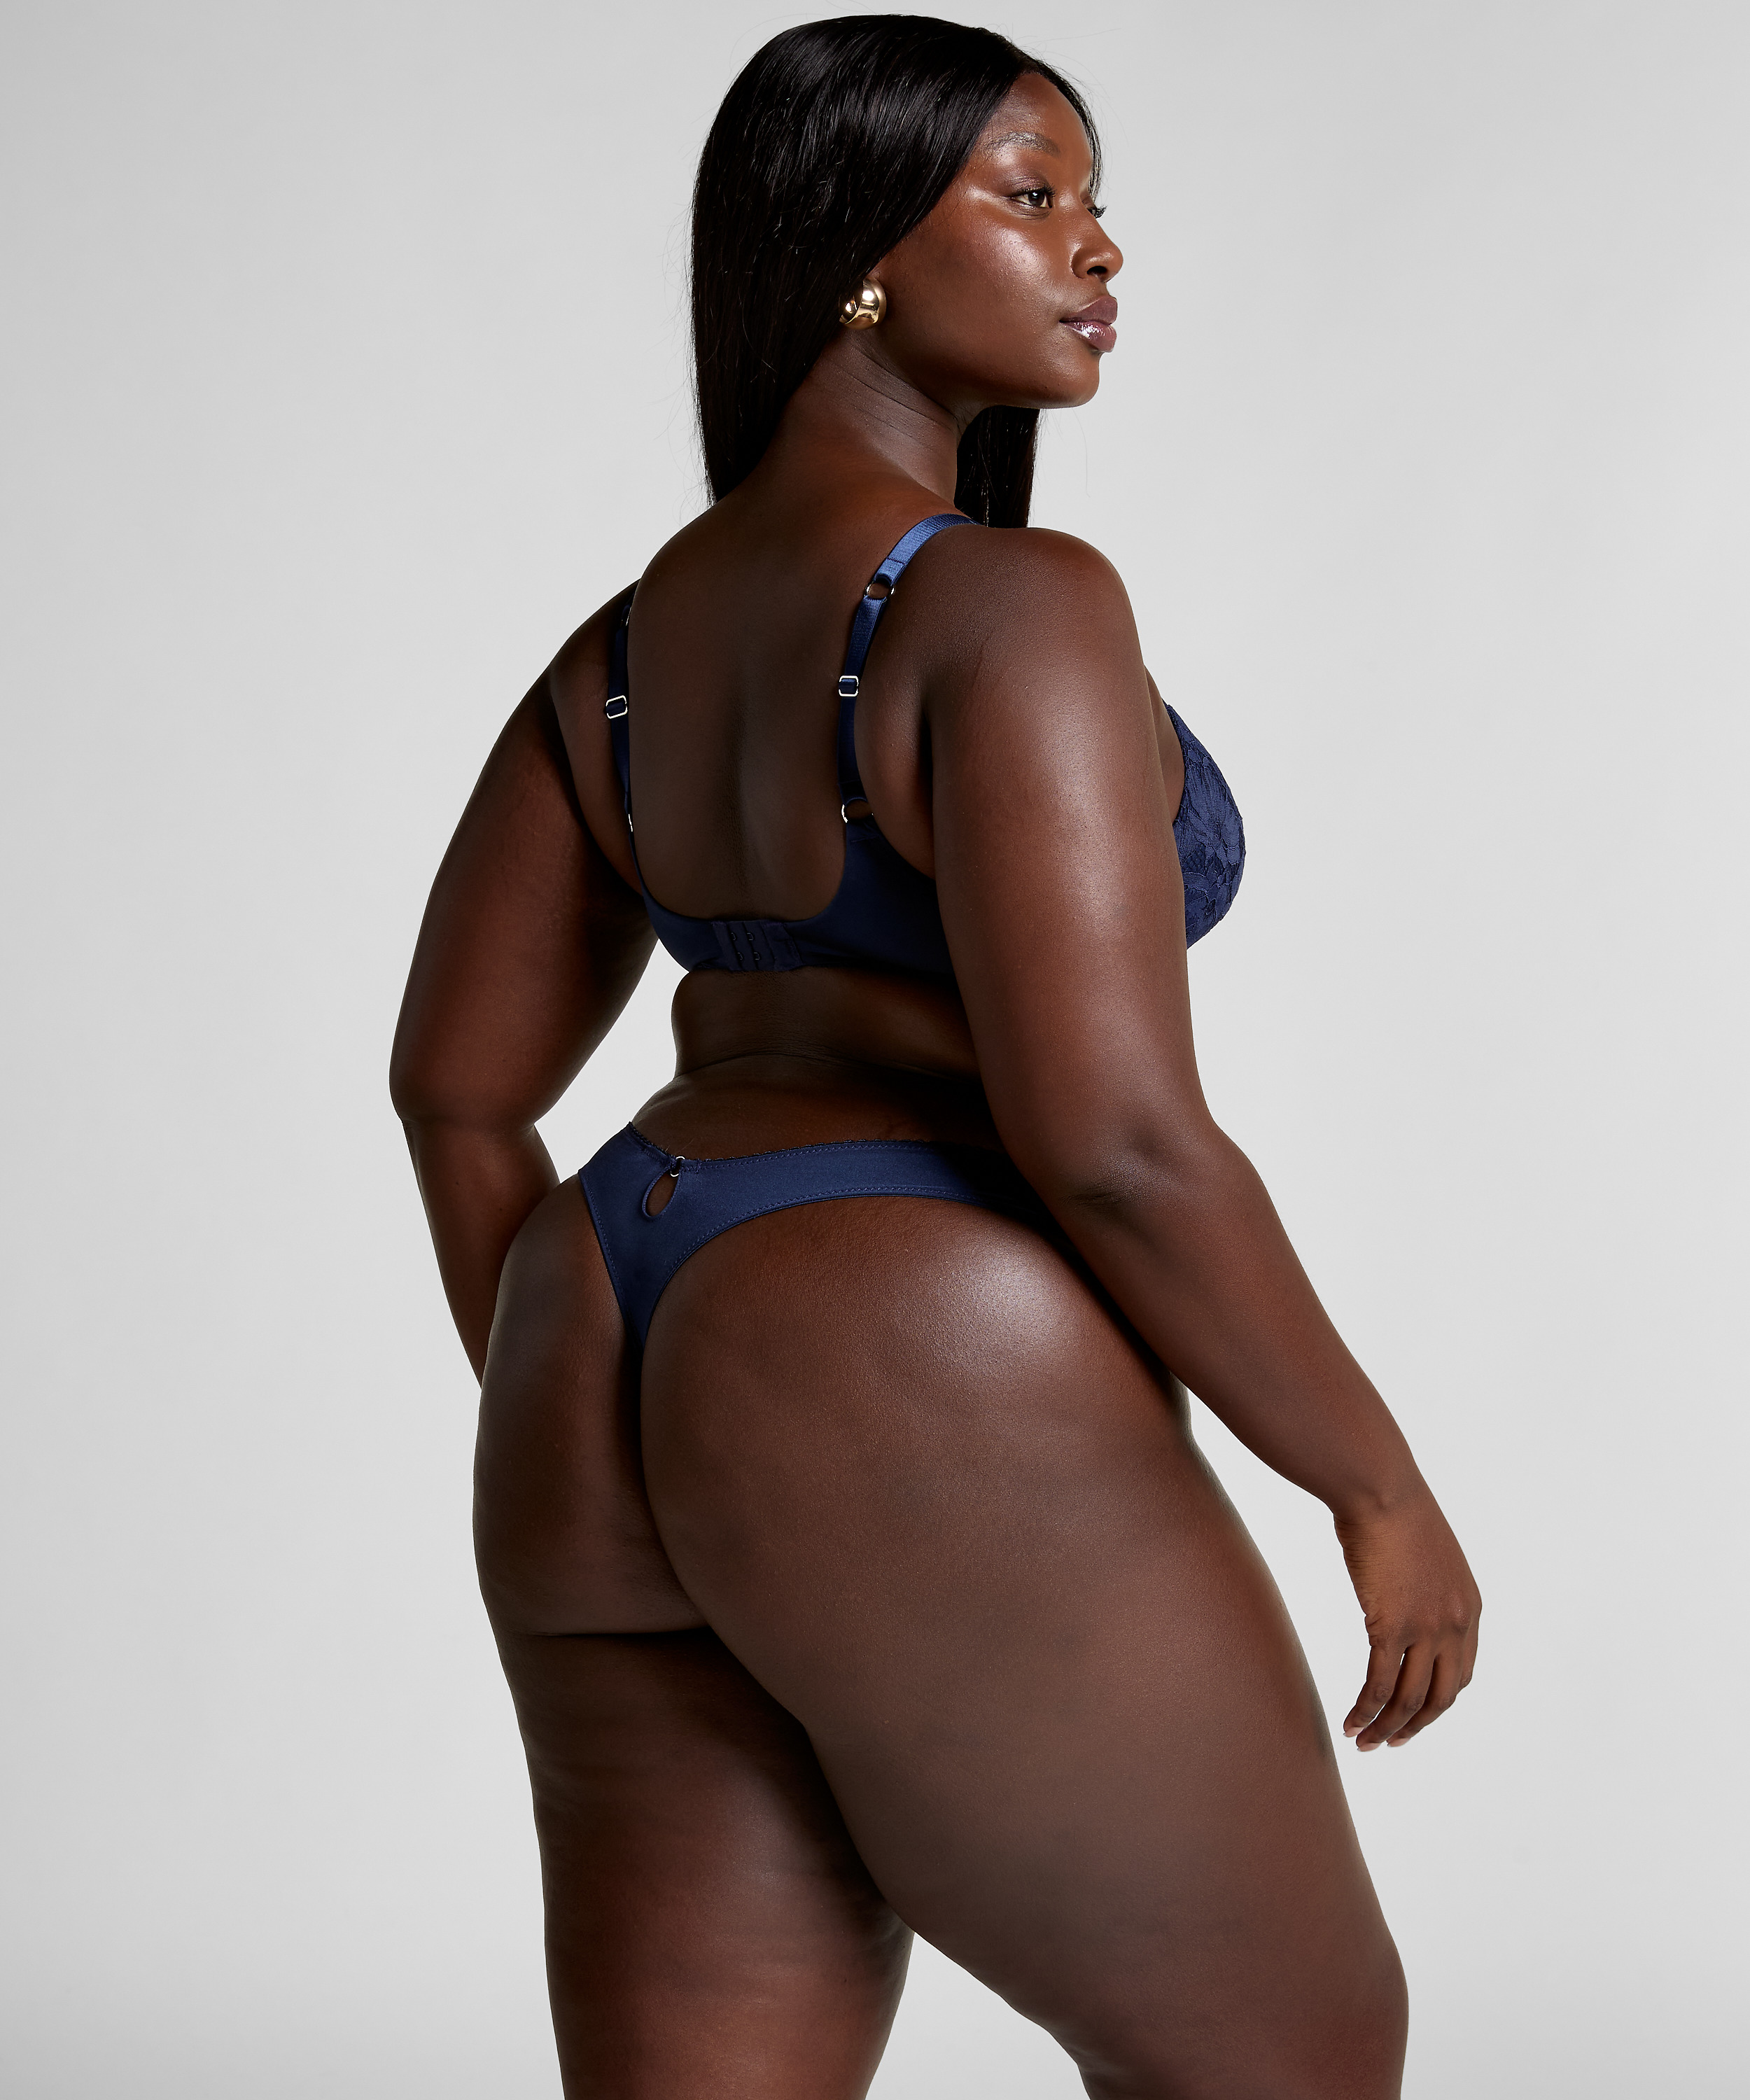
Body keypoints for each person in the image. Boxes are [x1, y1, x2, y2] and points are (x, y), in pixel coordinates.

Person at [391, 17, 1480, 2097]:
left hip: (589, 1329)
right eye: (1032, 194)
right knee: (1290, 2055)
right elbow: (1116, 1142)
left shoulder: (613, 654)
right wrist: (1369, 1481)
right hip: (892, 1331)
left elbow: (456, 1093)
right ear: (859, 259)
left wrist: (636, 1425)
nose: (1100, 249)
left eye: (1092, 200)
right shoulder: (1007, 607)